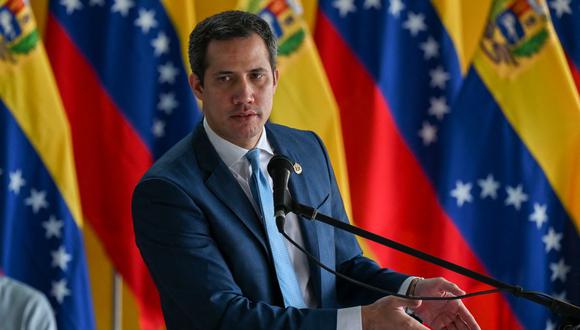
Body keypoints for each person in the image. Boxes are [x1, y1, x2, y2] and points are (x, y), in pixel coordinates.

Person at [132, 10, 480, 330]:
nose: (246, 94)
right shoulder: (169, 191)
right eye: (225, 79)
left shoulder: (307, 150)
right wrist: (364, 321)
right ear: (198, 87)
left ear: (275, 78)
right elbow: (224, 317)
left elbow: (343, 268)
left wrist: (415, 291)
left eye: (257, 76)